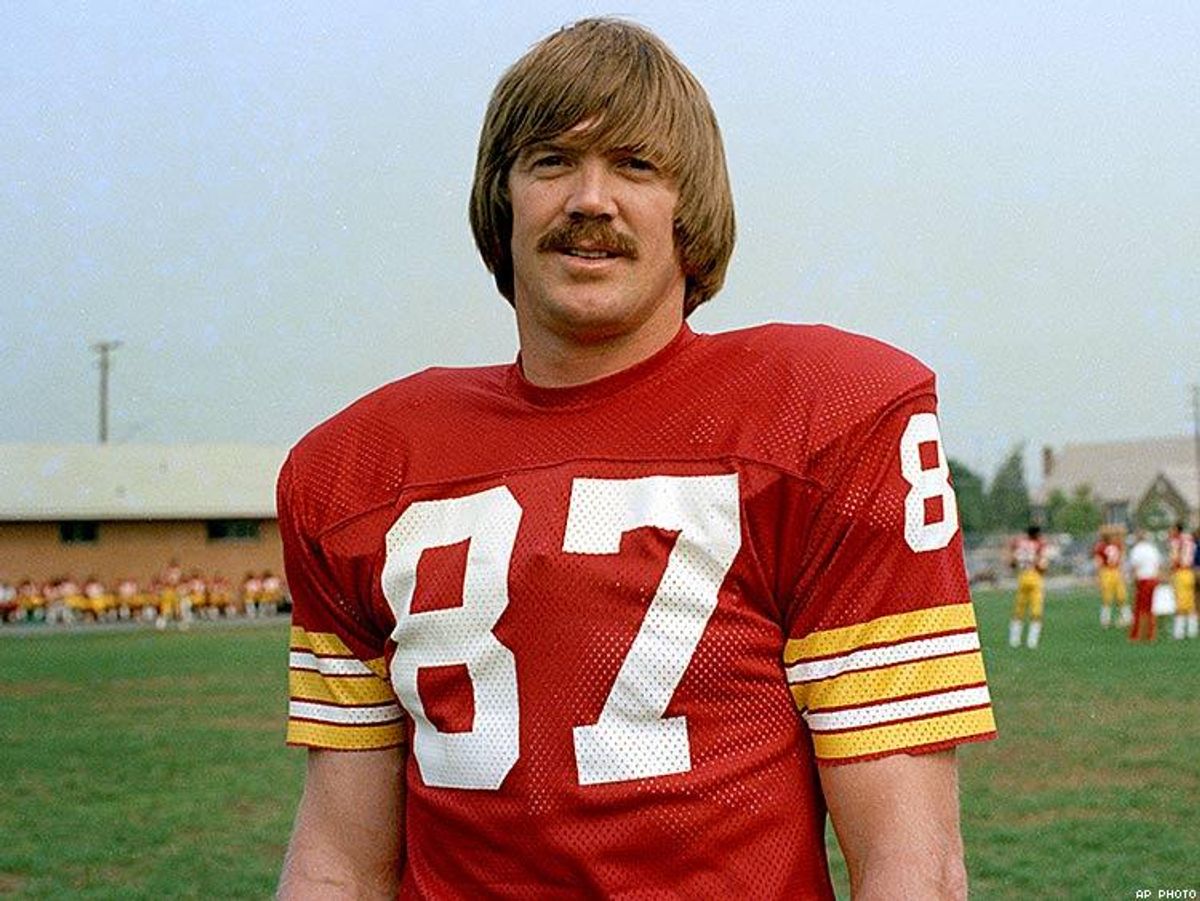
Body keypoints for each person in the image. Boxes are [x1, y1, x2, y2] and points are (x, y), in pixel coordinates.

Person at [277, 18, 996, 899]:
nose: (591, 199)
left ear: (690, 210)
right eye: (550, 161)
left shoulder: (831, 419)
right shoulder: (357, 471)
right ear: (501, 203)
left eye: (635, 165)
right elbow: (339, 859)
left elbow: (910, 860)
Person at [1007, 525, 1049, 648]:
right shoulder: (1039, 545)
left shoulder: (1020, 543)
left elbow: (1012, 563)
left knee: (1019, 610)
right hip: (1035, 577)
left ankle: (1014, 641)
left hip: (1022, 577)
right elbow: (1042, 566)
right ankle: (1032, 642)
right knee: (1036, 611)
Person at [1128, 530, 1162, 642]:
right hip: (1153, 579)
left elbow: (1135, 567)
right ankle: (1150, 634)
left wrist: (1133, 583)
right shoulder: (1153, 549)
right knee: (1150, 608)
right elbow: (1158, 565)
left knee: (1140, 608)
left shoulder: (1137, 549)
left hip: (1143, 580)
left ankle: (1138, 634)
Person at [1092, 525, 1129, 628]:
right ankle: (1105, 620)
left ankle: (1126, 617)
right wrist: (1098, 576)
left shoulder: (1118, 544)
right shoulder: (1100, 546)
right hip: (1106, 571)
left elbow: (1122, 533)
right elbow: (1098, 561)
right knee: (1107, 598)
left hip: (1116, 570)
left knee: (1121, 596)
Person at [1167, 522, 1197, 639]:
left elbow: (1174, 558)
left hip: (1180, 572)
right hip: (1190, 572)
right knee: (1190, 602)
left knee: (1180, 603)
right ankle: (1192, 630)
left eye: (1172, 529)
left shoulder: (1176, 541)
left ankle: (1179, 632)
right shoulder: (1190, 539)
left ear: (1177, 530)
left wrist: (1169, 573)